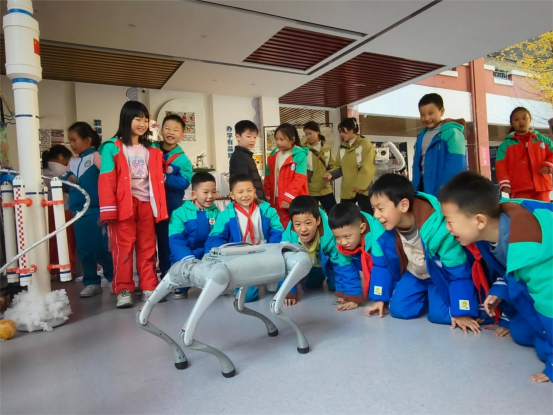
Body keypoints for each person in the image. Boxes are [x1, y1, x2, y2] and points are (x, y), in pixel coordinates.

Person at [439, 171, 553, 383]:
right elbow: (508, 268)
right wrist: (500, 290)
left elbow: (549, 302)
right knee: (520, 333)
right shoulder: (488, 233)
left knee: (543, 350)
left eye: (450, 221)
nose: (447, 228)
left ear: (479, 220)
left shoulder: (530, 244)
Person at [366, 173, 479, 334]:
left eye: (381, 209)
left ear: (403, 205)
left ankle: (445, 299)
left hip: (438, 275)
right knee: (398, 310)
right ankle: (428, 296)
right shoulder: (380, 228)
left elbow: (458, 271)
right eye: (374, 209)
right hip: (414, 272)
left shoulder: (438, 227)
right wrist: (379, 298)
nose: (376, 215)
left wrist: (462, 311)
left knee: (440, 316)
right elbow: (381, 265)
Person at [98, 101, 168, 309]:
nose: (142, 124)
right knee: (123, 249)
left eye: (145, 120)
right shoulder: (112, 147)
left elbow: (159, 174)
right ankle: (124, 290)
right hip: (123, 205)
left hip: (147, 204)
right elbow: (106, 180)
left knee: (148, 247)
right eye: (138, 119)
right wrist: (108, 210)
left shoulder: (153, 148)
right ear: (126, 119)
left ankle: (149, 286)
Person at [206, 174, 283, 302]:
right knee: (247, 297)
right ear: (232, 195)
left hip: (265, 253)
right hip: (241, 258)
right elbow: (216, 238)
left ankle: (267, 278)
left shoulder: (267, 211)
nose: (245, 195)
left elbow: (278, 232)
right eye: (240, 192)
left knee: (282, 288)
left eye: (249, 190)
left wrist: (275, 250)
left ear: (254, 191)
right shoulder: (226, 215)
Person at [280, 196, 362, 310]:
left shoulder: (330, 234)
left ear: (318, 221)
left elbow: (342, 262)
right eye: (298, 224)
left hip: (325, 262)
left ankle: (332, 280)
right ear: (293, 223)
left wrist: (349, 294)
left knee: (335, 287)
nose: (303, 229)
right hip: (308, 264)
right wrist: (288, 292)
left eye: (308, 223)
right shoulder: (288, 236)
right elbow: (283, 265)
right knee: (312, 285)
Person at [62, 122, 113, 297]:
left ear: (88, 139)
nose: (71, 144)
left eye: (74, 140)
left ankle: (113, 277)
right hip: (77, 213)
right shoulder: (72, 162)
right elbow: (65, 186)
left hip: (95, 210)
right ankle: (91, 281)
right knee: (84, 249)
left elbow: (109, 179)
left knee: (101, 247)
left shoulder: (97, 157)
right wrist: (67, 177)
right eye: (70, 141)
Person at [154, 114, 193, 281]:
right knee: (147, 243)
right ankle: (148, 278)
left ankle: (168, 275)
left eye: (176, 130)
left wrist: (165, 178)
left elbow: (184, 182)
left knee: (166, 241)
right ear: (161, 130)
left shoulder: (183, 160)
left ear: (182, 135)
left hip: (170, 206)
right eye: (167, 128)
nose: (170, 132)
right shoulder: (151, 149)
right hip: (148, 204)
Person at [168, 172, 219, 299]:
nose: (210, 196)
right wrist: (187, 258)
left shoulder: (217, 213)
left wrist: (211, 255)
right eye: (205, 192)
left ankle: (213, 284)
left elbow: (218, 236)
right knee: (181, 276)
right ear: (193, 194)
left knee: (217, 274)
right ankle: (180, 286)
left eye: (213, 192)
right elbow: (176, 240)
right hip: (187, 255)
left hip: (208, 254)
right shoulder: (179, 213)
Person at [412, 93, 467, 196]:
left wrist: (446, 192)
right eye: (422, 115)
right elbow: (416, 167)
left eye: (430, 113)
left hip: (446, 194)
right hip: (423, 193)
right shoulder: (421, 136)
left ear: (442, 111)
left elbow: (456, 166)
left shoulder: (452, 133)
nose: (426, 118)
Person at [496, 107, 553, 202]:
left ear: (530, 119)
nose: (521, 122)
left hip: (542, 187)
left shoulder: (543, 140)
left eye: (524, 118)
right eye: (516, 119)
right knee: (522, 211)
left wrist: (549, 165)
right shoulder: (505, 145)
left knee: (542, 211)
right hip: (518, 189)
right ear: (511, 123)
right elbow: (501, 165)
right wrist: (504, 182)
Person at [328, 202, 377, 311]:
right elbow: (347, 270)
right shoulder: (342, 245)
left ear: (362, 228)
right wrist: (352, 297)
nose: (343, 242)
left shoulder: (377, 236)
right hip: (359, 258)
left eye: (347, 236)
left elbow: (384, 268)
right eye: (337, 237)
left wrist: (381, 297)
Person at [323, 117, 375, 214]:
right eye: (340, 131)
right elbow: (338, 166)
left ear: (351, 130)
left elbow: (367, 167)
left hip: (364, 189)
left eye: (343, 131)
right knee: (345, 215)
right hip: (347, 189)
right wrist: (331, 174)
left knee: (367, 216)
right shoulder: (342, 147)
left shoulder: (365, 144)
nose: (341, 134)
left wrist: (361, 186)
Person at [42, 145, 78, 280]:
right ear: (61, 157)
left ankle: (52, 270)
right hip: (63, 209)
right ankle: (67, 270)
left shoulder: (43, 170)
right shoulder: (62, 170)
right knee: (66, 241)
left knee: (51, 241)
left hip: (45, 209)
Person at [264, 123, 309, 227]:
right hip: (276, 199)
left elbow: (300, 178)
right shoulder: (273, 154)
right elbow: (268, 177)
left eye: (282, 139)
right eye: (276, 139)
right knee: (278, 225)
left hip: (295, 199)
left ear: (292, 140)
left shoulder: (299, 155)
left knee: (296, 226)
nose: (278, 142)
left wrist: (288, 198)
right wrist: (267, 196)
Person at [302, 121, 336, 214]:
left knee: (333, 214)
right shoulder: (304, 150)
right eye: (306, 134)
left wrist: (330, 174)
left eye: (310, 133)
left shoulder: (327, 149)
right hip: (310, 190)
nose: (308, 137)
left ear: (317, 132)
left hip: (326, 188)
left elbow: (333, 165)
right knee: (311, 216)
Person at [229, 120, 265, 201]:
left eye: (255, 137)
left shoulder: (246, 155)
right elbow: (243, 182)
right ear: (238, 137)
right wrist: (254, 198)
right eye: (249, 136)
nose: (252, 140)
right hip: (249, 200)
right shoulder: (239, 156)